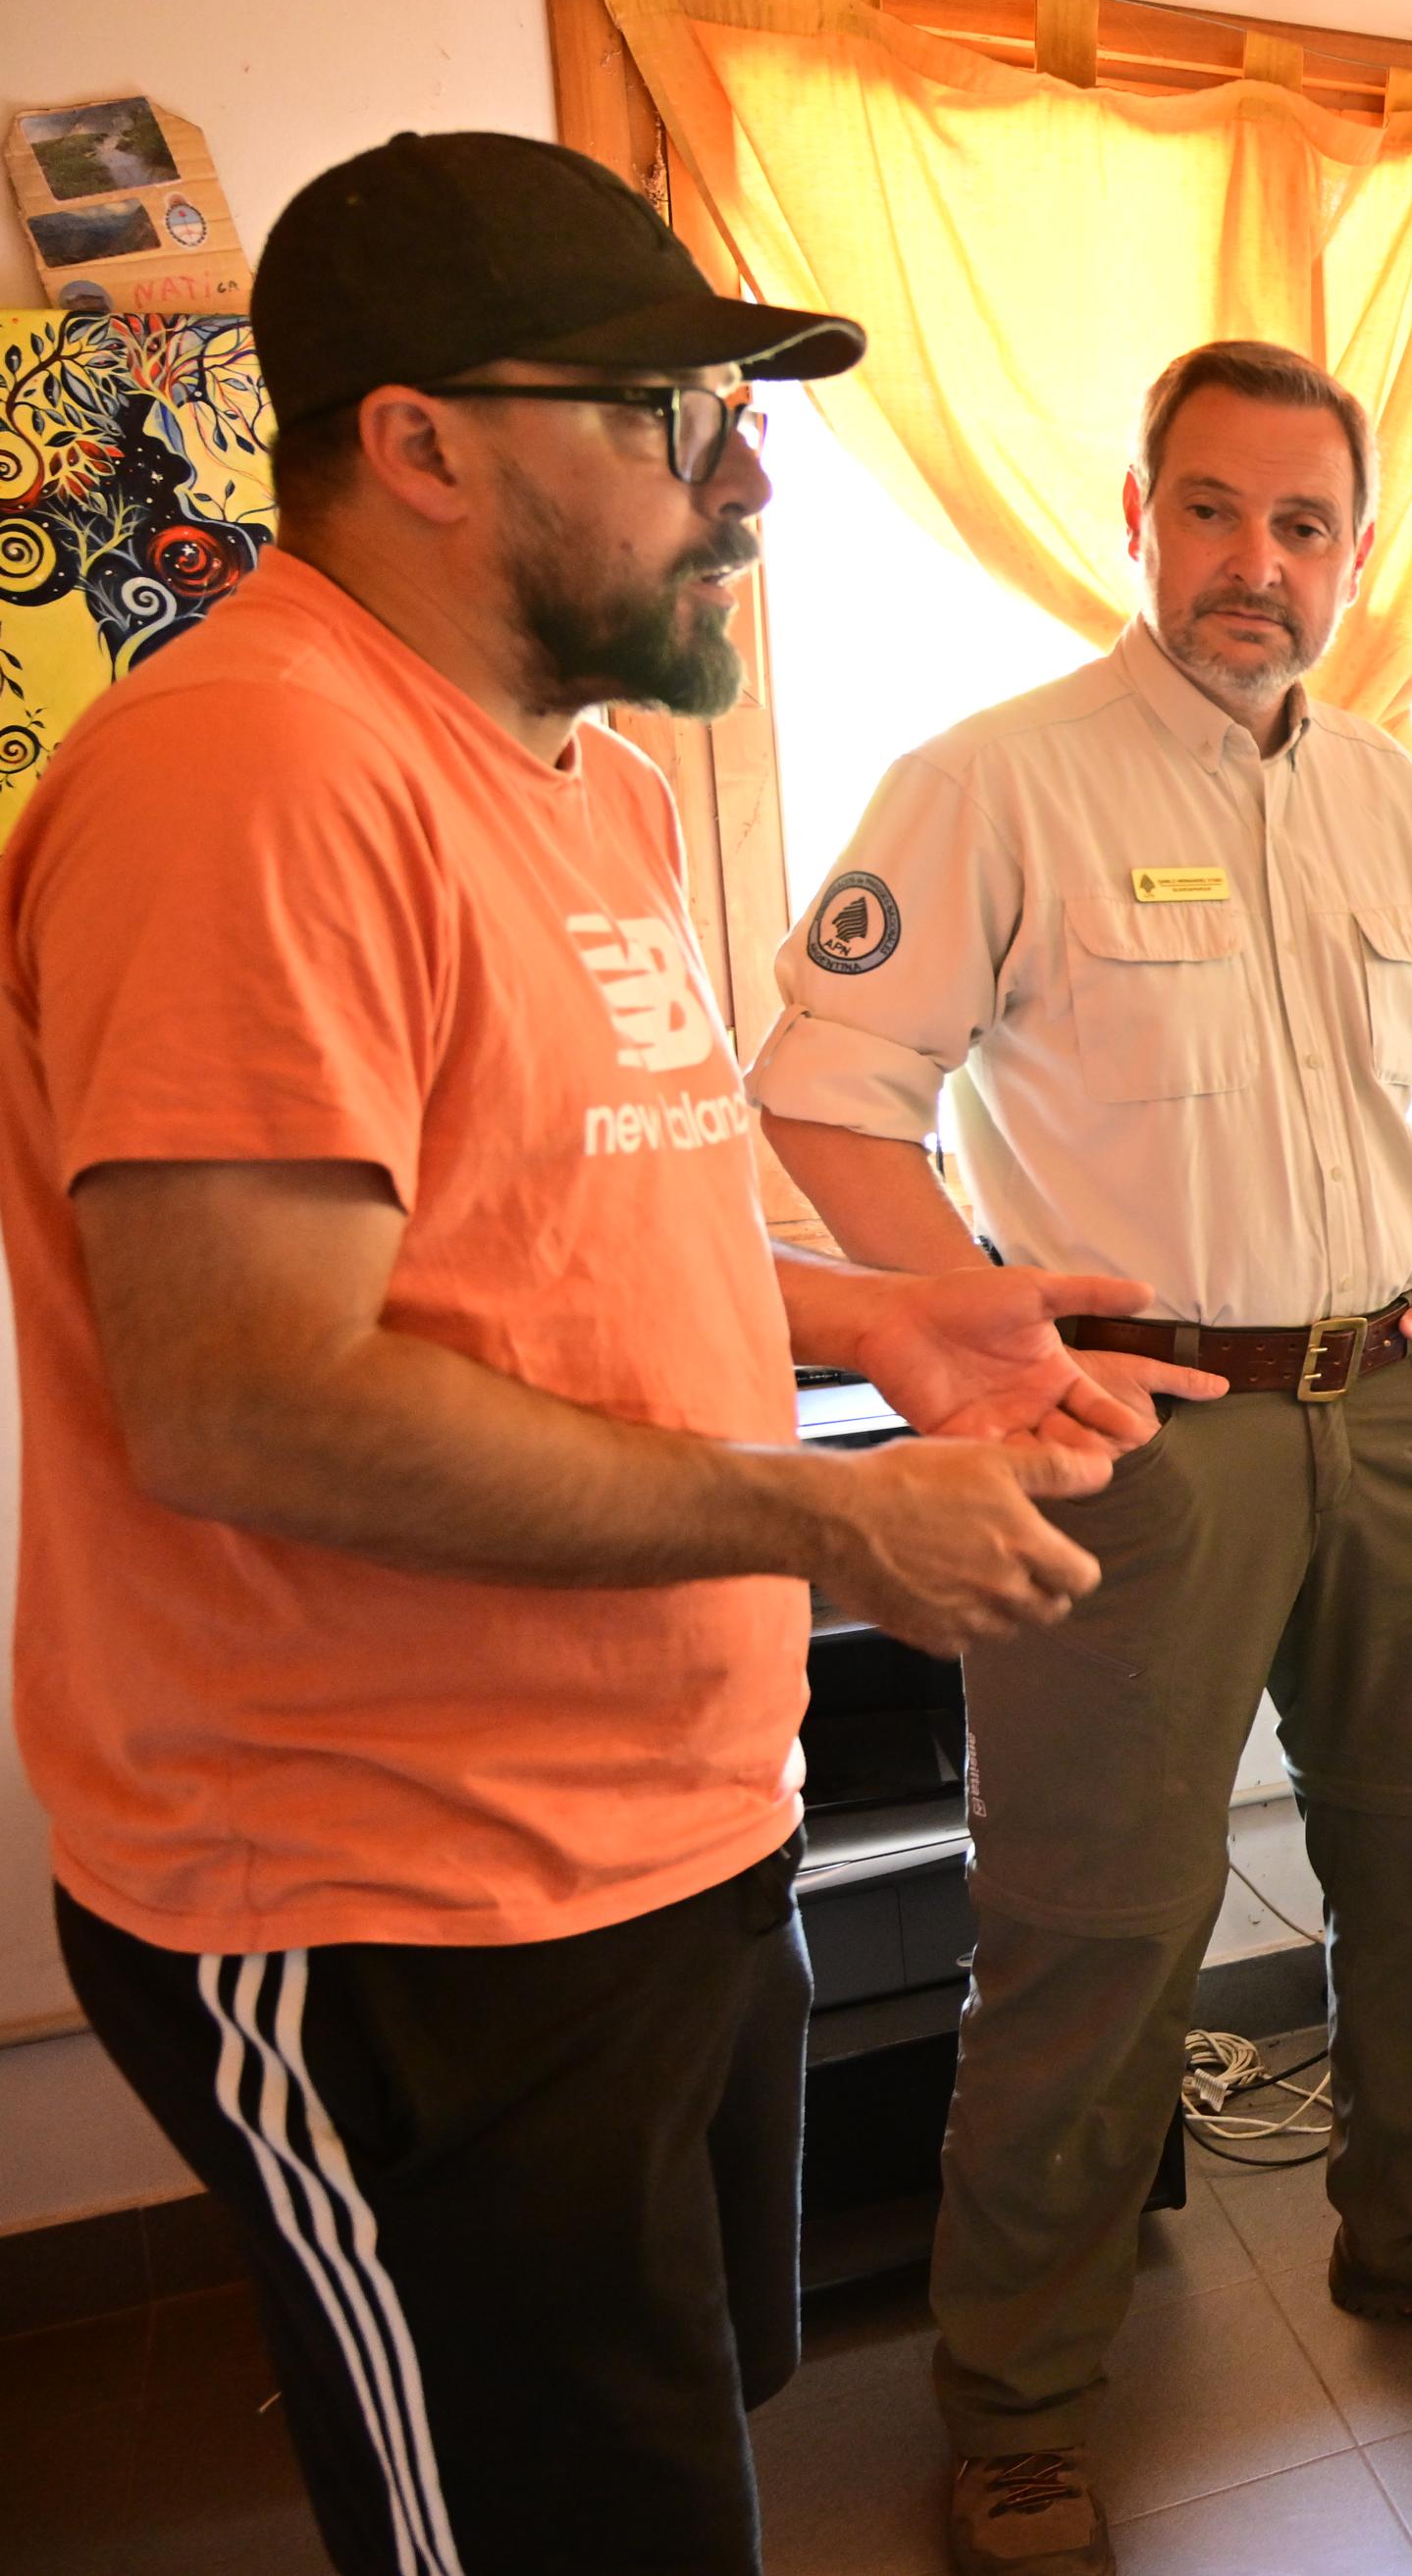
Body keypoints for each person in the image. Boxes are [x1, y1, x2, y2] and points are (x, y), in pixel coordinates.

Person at [1, 131, 1183, 2576]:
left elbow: (567, 1225)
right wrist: (832, 1513)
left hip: (659, 1839)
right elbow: (249, 1394)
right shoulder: (254, 772)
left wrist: (881, 1320)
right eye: (666, 414)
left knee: (658, 2468)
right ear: (418, 442)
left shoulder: (598, 782)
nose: (744, 474)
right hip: (384, 1895)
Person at [748, 338, 1412, 2576]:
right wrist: (976, 1360)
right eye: (1213, 511)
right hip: (1140, 1424)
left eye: (1303, 523)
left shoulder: (1392, 793)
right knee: (1092, 1932)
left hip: (1397, 1409)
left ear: (1351, 551)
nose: (1259, 562)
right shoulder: (990, 782)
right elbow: (827, 1089)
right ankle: (1019, 2400)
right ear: (1136, 520)